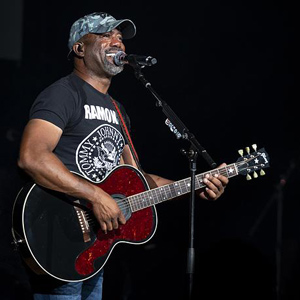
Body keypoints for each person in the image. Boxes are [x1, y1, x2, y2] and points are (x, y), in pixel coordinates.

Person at [17, 12, 229, 300]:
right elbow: (32, 156)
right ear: (80, 48)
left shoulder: (118, 111)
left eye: (119, 37)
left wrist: (196, 187)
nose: (118, 42)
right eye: (105, 35)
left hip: (96, 247)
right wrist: (96, 196)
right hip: (58, 235)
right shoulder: (63, 94)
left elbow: (139, 182)